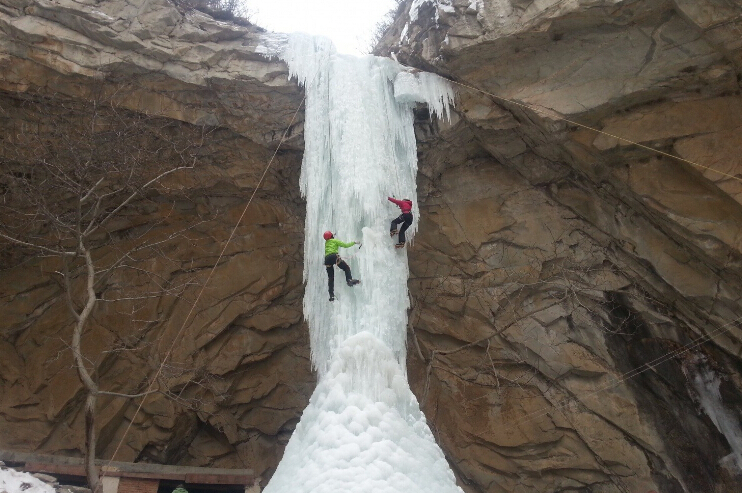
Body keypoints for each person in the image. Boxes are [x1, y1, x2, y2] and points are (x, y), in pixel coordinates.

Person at [323, 231, 360, 301]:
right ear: (331, 236)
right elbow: (345, 245)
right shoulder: (334, 240)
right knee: (346, 268)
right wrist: (354, 242)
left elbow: (330, 239)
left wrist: (333, 235)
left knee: (331, 277)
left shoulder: (326, 243)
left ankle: (331, 295)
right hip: (334, 257)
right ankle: (349, 280)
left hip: (327, 260)